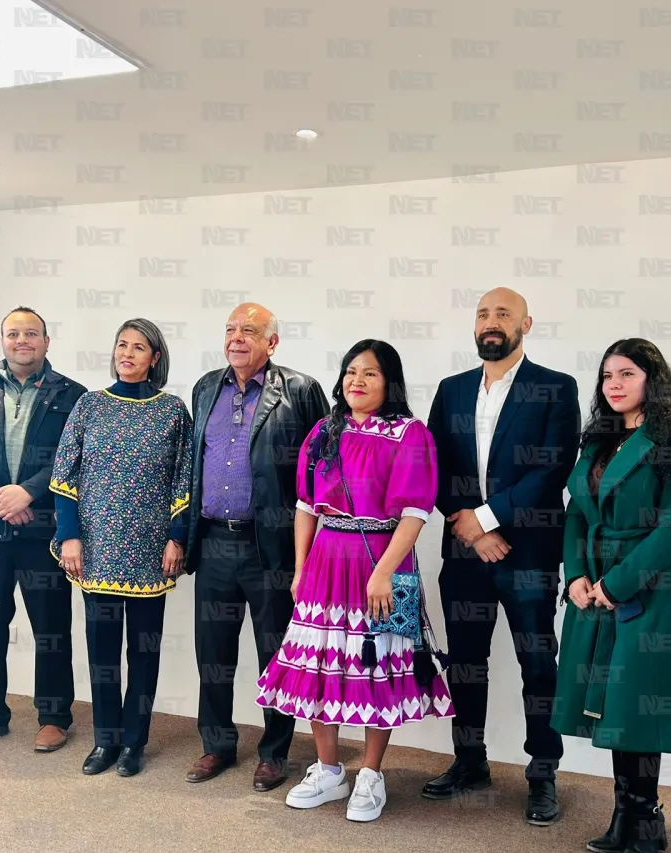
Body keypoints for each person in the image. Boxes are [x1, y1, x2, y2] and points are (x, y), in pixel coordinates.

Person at [256, 340, 454, 822]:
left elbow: (415, 510)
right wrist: (301, 567)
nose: (356, 382)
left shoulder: (410, 433)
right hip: (326, 560)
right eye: (350, 372)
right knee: (320, 664)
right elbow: (305, 504)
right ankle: (327, 770)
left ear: (390, 382)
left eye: (369, 373)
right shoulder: (324, 430)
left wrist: (385, 571)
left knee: (373, 664)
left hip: (383, 561)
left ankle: (370, 774)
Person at [551, 338, 671, 853]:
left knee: (639, 707)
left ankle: (646, 820)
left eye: (627, 374)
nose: (615, 385)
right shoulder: (597, 439)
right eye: (607, 376)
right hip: (596, 585)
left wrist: (616, 584)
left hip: (657, 587)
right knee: (612, 709)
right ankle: (625, 816)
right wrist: (576, 573)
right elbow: (578, 510)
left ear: (652, 379)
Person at [423, 287, 580, 825]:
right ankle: (470, 761)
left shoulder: (556, 388)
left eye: (503, 314)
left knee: (538, 664)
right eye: (484, 314)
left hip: (528, 552)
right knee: (465, 664)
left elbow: (553, 469)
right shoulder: (452, 389)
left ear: (526, 324)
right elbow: (432, 465)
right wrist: (468, 527)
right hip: (465, 553)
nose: (492, 323)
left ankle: (542, 771)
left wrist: (486, 519)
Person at [182, 302, 330, 792]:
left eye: (249, 330)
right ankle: (217, 745)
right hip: (214, 544)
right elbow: (190, 466)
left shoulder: (302, 390)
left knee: (276, 655)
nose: (237, 338)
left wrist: (313, 551)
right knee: (214, 654)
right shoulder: (206, 387)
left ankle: (274, 753)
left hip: (273, 547)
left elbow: (323, 467)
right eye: (230, 329)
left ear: (273, 342)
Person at [48, 319, 193, 778]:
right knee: (102, 651)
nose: (127, 353)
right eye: (122, 345)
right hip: (97, 549)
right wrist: (69, 535)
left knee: (144, 652)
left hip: (152, 552)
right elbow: (63, 476)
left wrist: (177, 536)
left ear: (155, 358)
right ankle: (104, 740)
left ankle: (135, 742)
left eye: (139, 347)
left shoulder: (172, 411)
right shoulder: (89, 406)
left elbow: (184, 479)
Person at [0, 306, 88, 753]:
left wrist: (27, 492)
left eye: (31, 333)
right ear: (2, 340)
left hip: (43, 530)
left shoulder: (73, 395)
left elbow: (75, 454)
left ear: (47, 342)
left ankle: (54, 716)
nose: (21, 340)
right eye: (13, 333)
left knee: (51, 627)